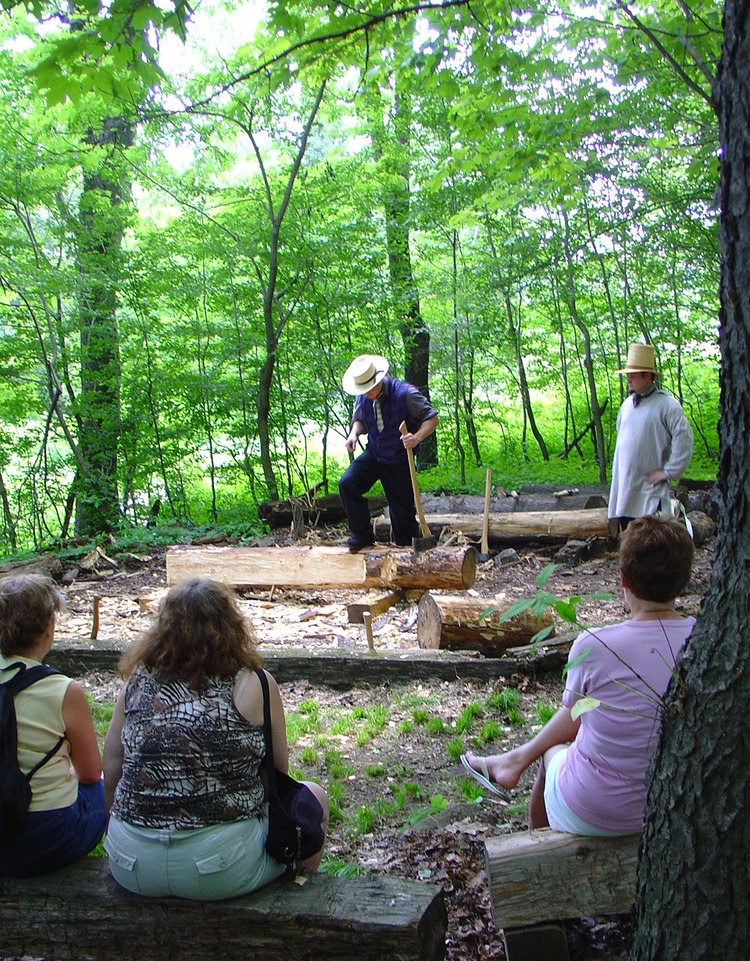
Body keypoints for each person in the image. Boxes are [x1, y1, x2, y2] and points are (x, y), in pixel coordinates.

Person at [461, 516, 695, 836]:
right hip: (679, 804)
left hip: (598, 812)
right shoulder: (704, 640)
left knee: (553, 753)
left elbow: (575, 713)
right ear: (684, 579)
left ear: (623, 580)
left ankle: (536, 849)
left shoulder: (596, 645)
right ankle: (513, 761)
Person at [103, 578, 328, 900]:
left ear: (163, 628)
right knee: (314, 797)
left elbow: (112, 764)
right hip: (218, 867)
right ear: (232, 626)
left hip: (131, 863)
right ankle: (296, 902)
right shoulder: (256, 684)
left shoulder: (137, 681)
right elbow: (277, 775)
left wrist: (119, 827)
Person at [0, 574, 106, 876]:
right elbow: (89, 773)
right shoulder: (63, 690)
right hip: (44, 836)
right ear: (49, 629)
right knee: (101, 785)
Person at [339, 354, 439, 552]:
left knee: (402, 515)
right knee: (348, 483)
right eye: (363, 390)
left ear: (379, 379)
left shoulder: (405, 394)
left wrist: (416, 437)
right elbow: (360, 419)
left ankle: (407, 555)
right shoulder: (364, 396)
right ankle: (362, 535)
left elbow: (432, 418)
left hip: (399, 459)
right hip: (375, 452)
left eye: (369, 389)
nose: (367, 394)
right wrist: (353, 434)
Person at [608, 342, 694, 532]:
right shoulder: (626, 406)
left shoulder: (667, 405)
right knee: (630, 542)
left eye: (633, 374)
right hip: (626, 490)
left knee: (653, 543)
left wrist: (669, 472)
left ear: (647, 375)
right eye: (628, 375)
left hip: (649, 492)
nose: (628, 379)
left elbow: (684, 438)